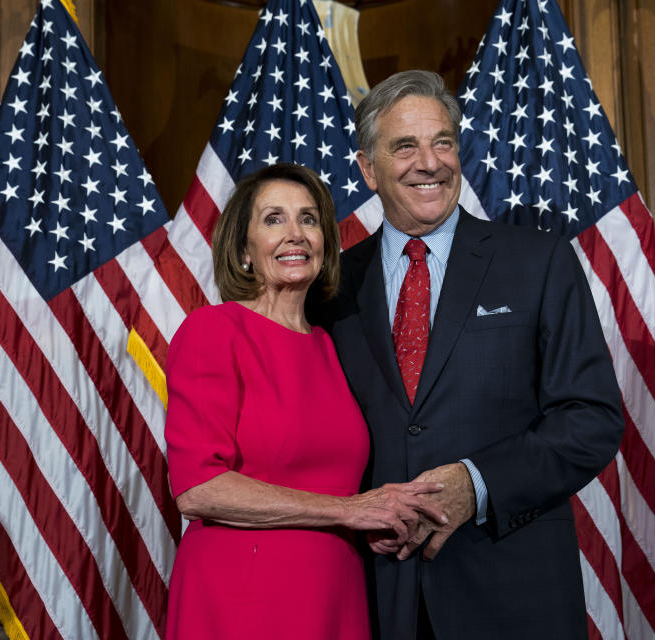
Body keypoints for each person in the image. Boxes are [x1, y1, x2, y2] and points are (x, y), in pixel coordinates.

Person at [323, 70, 625, 638]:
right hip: (376, 598)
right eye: (405, 146)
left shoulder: (539, 261)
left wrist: (477, 483)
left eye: (443, 141)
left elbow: (591, 419)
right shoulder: (333, 287)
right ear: (367, 169)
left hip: (511, 592)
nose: (429, 162)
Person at [163, 163, 447, 640]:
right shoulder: (214, 331)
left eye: (309, 220)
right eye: (274, 219)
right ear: (244, 248)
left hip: (336, 591)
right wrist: (350, 511)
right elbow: (199, 489)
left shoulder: (331, 346)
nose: (295, 235)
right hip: (243, 597)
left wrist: (376, 520)